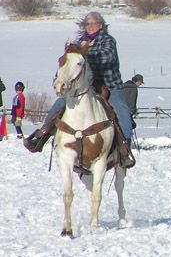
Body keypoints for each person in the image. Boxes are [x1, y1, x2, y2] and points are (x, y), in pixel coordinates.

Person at [24, 12, 135, 168]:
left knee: (121, 110)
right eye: (87, 24)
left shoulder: (107, 40)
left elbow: (106, 57)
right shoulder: (79, 43)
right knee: (59, 104)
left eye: (93, 23)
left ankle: (124, 149)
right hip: (83, 87)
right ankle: (42, 136)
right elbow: (67, 65)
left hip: (108, 85)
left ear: (101, 25)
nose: (90, 27)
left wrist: (82, 55)